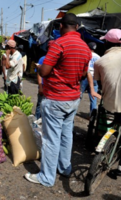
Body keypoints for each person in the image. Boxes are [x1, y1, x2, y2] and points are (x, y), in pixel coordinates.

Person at [24, 13, 92, 187]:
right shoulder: (85, 48)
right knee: (66, 135)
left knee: (51, 139)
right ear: (77, 27)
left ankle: (46, 177)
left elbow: (45, 72)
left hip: (55, 98)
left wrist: (41, 69)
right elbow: (84, 74)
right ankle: (65, 168)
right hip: (73, 98)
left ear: (61, 26)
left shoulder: (59, 43)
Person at [93, 29, 121, 176]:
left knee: (110, 123)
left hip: (110, 104)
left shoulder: (100, 61)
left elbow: (100, 84)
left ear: (107, 42)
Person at [80, 42, 101, 116]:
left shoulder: (85, 54)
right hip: (94, 77)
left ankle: (72, 112)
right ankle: (92, 115)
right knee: (93, 97)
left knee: (79, 95)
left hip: (85, 76)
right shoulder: (98, 57)